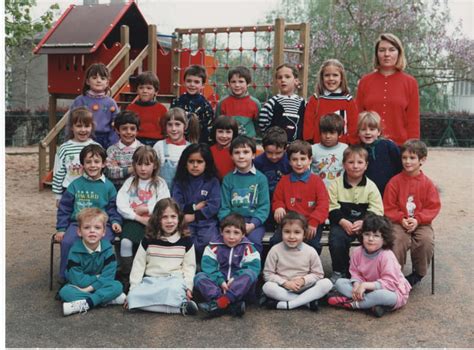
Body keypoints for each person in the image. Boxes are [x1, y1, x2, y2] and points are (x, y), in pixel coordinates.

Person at [55, 144, 122, 280]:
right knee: (67, 242)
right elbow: (65, 208)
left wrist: (115, 221)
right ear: (82, 165)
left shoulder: (108, 186)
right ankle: (67, 277)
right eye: (88, 162)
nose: (92, 165)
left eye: (96, 162)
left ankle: (102, 277)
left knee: (104, 243)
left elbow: (113, 207)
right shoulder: (75, 185)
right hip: (78, 224)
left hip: (102, 225)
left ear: (103, 164)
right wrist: (61, 228)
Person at [328, 213, 411, 318]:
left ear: (384, 239)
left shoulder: (386, 255)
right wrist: (357, 285)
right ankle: (371, 305)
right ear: (361, 235)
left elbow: (390, 283)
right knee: (340, 283)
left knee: (381, 295)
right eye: (367, 234)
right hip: (366, 288)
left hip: (390, 290)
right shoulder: (357, 252)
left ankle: (351, 304)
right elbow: (355, 273)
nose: (370, 239)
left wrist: (365, 286)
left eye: (376, 235)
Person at [125, 198, 198, 316]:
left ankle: (175, 306)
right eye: (164, 217)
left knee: (174, 290)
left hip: (173, 280)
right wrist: (132, 288)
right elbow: (138, 264)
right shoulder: (148, 240)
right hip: (151, 281)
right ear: (157, 219)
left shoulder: (186, 241)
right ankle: (178, 308)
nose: (169, 221)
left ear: (179, 218)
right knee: (133, 297)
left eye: (173, 217)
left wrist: (188, 287)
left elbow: (189, 267)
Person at [383, 139, 441, 287]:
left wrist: (418, 219)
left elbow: (433, 207)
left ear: (422, 160)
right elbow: (388, 206)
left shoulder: (428, 184)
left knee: (425, 240)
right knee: (397, 240)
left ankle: (418, 274)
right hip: (398, 222)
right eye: (404, 157)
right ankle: (394, 274)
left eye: (412, 158)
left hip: (422, 223)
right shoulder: (394, 182)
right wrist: (401, 219)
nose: (407, 161)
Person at [116, 146, 170, 289]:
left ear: (155, 165)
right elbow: (121, 205)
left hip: (154, 223)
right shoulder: (130, 183)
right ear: (134, 165)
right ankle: (126, 275)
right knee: (125, 243)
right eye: (139, 164)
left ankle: (148, 276)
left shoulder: (160, 183)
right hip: (133, 221)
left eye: (147, 164)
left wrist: (147, 209)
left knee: (151, 246)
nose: (143, 168)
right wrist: (137, 217)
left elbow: (165, 204)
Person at [328, 145, 383, 283]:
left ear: (366, 165)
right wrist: (341, 221)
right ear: (344, 164)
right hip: (342, 222)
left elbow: (377, 209)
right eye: (351, 162)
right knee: (336, 239)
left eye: (360, 162)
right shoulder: (335, 184)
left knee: (373, 239)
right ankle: (340, 271)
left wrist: (364, 222)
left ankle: (368, 272)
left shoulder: (371, 186)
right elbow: (330, 206)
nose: (355, 166)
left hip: (365, 223)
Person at [59, 208, 125, 316]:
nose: (92, 231)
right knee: (65, 292)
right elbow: (79, 280)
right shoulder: (75, 251)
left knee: (117, 285)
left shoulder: (108, 249)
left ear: (104, 232)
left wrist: (87, 289)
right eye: (87, 227)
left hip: (90, 288)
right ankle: (107, 300)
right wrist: (98, 277)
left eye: (97, 227)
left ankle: (86, 303)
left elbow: (109, 276)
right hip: (81, 286)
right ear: (79, 232)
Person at [356, 33, 420, 146]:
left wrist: (413, 148)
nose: (387, 54)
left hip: (400, 148)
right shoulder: (365, 82)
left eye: (391, 50)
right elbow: (357, 116)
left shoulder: (410, 83)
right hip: (368, 148)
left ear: (399, 53)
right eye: (382, 50)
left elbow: (413, 121)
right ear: (376, 54)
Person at [262, 212, 333, 310]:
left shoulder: (310, 251)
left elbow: (318, 274)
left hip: (305, 288)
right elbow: (268, 274)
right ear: (281, 232)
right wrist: (285, 283)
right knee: (267, 287)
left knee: (326, 283)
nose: (291, 236)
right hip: (284, 289)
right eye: (287, 232)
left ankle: (287, 305)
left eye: (297, 232)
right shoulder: (275, 250)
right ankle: (306, 302)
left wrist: (303, 280)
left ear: (304, 234)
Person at [194, 213, 261, 317]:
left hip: (238, 287)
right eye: (227, 232)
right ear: (221, 232)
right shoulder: (212, 247)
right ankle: (229, 305)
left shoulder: (248, 248)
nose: (231, 237)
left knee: (250, 274)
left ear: (243, 234)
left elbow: (253, 267)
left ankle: (220, 303)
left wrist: (235, 278)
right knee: (199, 277)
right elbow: (209, 268)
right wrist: (220, 281)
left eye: (236, 233)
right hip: (219, 286)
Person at [271, 140, 329, 254]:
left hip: (310, 223)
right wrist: (279, 207)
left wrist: (314, 222)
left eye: (303, 159)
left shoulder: (317, 181)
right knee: (276, 241)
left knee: (313, 245)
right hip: (289, 223)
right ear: (289, 161)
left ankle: (309, 268)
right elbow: (277, 199)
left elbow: (323, 205)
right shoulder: (284, 181)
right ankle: (283, 267)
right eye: (294, 159)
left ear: (310, 160)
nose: (299, 163)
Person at [218, 135, 270, 254]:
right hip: (231, 222)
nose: (241, 156)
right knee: (224, 240)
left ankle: (252, 270)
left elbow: (264, 207)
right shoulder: (228, 179)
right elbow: (224, 207)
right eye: (237, 152)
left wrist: (252, 224)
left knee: (253, 241)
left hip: (253, 222)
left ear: (253, 155)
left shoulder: (261, 179)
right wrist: (230, 225)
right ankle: (229, 269)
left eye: (246, 152)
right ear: (231, 156)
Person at [172, 143, 221, 260]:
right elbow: (177, 203)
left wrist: (193, 216)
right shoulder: (180, 181)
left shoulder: (212, 181)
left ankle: (205, 267)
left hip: (206, 221)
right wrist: (194, 207)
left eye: (199, 162)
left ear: (206, 163)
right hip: (184, 221)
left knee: (209, 240)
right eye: (191, 161)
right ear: (185, 163)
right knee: (185, 240)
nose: (195, 165)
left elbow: (214, 205)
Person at [303, 59, 358, 145]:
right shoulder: (316, 99)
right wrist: (309, 143)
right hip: (318, 148)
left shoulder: (348, 100)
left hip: (342, 149)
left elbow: (353, 126)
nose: (331, 78)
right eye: (327, 75)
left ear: (341, 78)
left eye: (335, 75)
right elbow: (308, 124)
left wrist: (351, 144)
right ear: (322, 78)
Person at [52, 107, 99, 206]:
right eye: (79, 126)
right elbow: (58, 172)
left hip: (91, 190)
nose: (83, 130)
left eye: (87, 126)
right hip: (69, 190)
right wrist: (58, 195)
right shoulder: (64, 148)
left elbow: (101, 171)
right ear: (72, 127)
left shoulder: (97, 147)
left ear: (92, 127)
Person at [70, 63, 119, 149]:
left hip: (105, 140)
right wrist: (70, 138)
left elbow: (116, 125)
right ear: (88, 81)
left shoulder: (111, 103)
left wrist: (113, 143)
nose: (98, 81)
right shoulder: (80, 101)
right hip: (83, 137)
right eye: (94, 78)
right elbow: (71, 122)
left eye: (102, 78)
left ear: (107, 82)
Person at [254, 126, 291, 231]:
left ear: (285, 148)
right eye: (269, 153)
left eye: (278, 153)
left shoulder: (289, 162)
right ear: (263, 148)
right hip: (266, 202)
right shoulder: (258, 162)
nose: (274, 156)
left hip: (285, 202)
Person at [358, 111, 402, 197]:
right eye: (363, 129)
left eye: (372, 129)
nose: (367, 132)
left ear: (379, 132)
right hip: (367, 192)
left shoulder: (388, 146)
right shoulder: (358, 150)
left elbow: (400, 165)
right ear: (358, 132)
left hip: (389, 190)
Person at [153, 107, 198, 190]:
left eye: (177, 124)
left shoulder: (191, 148)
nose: (173, 129)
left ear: (185, 126)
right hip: (162, 194)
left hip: (184, 194)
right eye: (170, 125)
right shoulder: (159, 146)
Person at [258, 63, 305, 142]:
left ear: (296, 81)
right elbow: (263, 124)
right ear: (276, 82)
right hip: (276, 147)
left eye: (287, 77)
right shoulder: (271, 103)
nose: (283, 80)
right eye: (280, 77)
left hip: (297, 148)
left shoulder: (304, 104)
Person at [171, 64, 214, 143]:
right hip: (178, 142)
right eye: (189, 81)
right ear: (184, 82)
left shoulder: (206, 106)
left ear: (203, 85)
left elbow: (208, 129)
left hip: (198, 143)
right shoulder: (177, 102)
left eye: (196, 82)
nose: (192, 84)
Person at [215, 66, 261, 137]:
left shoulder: (255, 103)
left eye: (241, 81)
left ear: (248, 83)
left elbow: (258, 126)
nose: (237, 85)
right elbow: (217, 125)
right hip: (228, 142)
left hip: (249, 142)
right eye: (233, 82)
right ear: (229, 83)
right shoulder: (222, 103)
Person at [126, 71, 168, 146]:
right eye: (141, 88)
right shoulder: (131, 108)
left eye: (149, 88)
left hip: (157, 142)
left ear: (156, 91)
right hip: (136, 141)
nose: (145, 91)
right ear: (137, 90)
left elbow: (165, 128)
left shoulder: (162, 109)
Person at [105, 110, 143, 190]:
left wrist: (119, 168)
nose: (128, 132)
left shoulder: (142, 149)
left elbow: (144, 171)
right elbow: (109, 172)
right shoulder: (112, 150)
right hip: (116, 189)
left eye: (132, 129)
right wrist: (131, 169)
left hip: (138, 188)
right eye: (124, 128)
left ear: (137, 131)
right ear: (117, 130)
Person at [310, 113, 348, 189]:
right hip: (317, 190)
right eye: (324, 132)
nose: (327, 136)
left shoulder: (345, 148)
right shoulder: (313, 149)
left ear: (340, 134)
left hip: (338, 191)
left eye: (332, 133)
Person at [209, 115, 239, 180]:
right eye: (220, 131)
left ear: (234, 133)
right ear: (214, 132)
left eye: (228, 132)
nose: (224, 136)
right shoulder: (209, 151)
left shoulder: (238, 151)